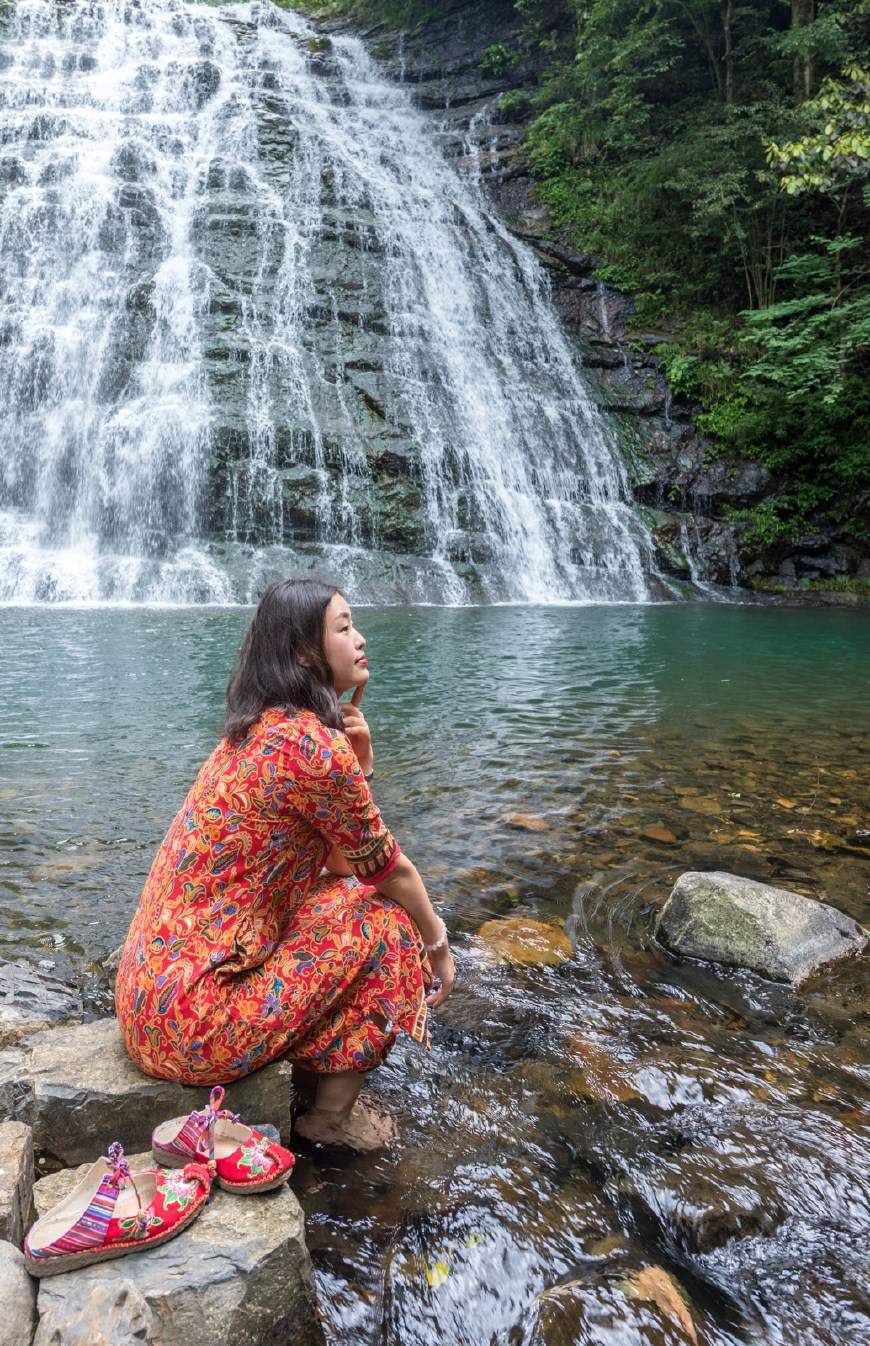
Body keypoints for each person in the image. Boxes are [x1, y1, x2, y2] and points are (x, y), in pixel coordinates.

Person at [115, 577, 455, 1151]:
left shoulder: (256, 731)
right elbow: (389, 872)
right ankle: (328, 1118)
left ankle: (305, 1075)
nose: (361, 639)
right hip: (193, 1023)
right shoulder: (312, 747)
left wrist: (361, 765)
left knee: (341, 898)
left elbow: (343, 866)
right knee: (392, 924)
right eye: (344, 628)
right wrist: (438, 947)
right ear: (304, 652)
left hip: (149, 1000)